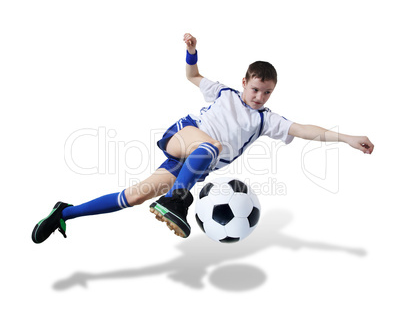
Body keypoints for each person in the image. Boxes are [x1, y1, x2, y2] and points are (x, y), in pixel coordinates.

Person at [31, 33, 374, 243]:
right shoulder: (224, 92)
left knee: (134, 196)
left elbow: (302, 130)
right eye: (256, 89)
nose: (259, 97)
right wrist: (192, 51)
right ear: (245, 82)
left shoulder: (264, 121)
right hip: (183, 138)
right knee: (211, 146)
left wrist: (346, 138)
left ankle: (64, 213)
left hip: (191, 165)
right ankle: (178, 199)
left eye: (267, 93)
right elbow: (192, 75)